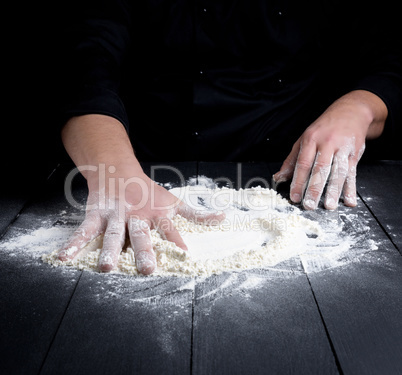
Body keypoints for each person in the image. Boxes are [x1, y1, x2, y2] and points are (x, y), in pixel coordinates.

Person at [56, 0, 402, 274]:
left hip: (284, 177)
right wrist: (116, 173)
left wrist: (358, 108)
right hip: (148, 169)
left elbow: (390, 60)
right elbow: (84, 66)